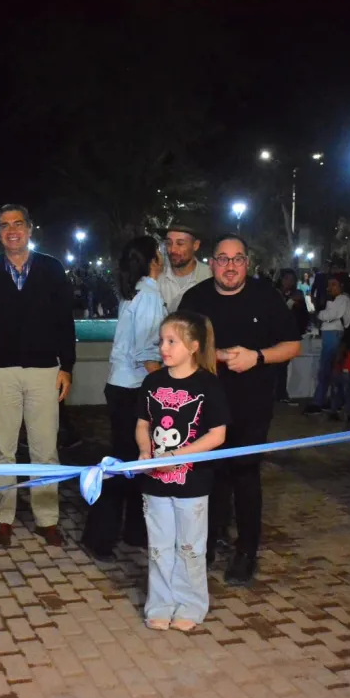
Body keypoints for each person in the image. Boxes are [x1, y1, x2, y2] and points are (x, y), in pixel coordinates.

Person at [178, 234, 301, 585]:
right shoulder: (195, 298)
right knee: (209, 476)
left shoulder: (266, 296)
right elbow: (177, 345)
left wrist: (257, 357)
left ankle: (247, 550)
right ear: (212, 262)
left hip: (252, 405)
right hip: (203, 407)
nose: (230, 266)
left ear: (247, 263)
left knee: (246, 476)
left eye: (237, 259)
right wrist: (213, 356)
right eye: (223, 259)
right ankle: (207, 543)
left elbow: (292, 346)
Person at [0, 204, 75, 547]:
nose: (12, 230)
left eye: (18, 224)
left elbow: (64, 321)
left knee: (45, 449)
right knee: (2, 450)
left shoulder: (52, 269)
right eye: (4, 225)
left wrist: (67, 367)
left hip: (45, 370)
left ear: (29, 229)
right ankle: (3, 519)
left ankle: (47, 519)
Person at [134, 311, 228, 631]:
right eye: (162, 341)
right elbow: (143, 423)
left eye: (172, 341)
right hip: (155, 482)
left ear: (193, 346)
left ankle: (191, 603)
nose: (164, 347)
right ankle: (160, 603)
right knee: (159, 547)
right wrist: (146, 452)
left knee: (190, 547)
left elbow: (217, 435)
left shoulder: (208, 385)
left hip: (193, 483)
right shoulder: (152, 382)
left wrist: (177, 455)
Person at [81, 236, 165, 560]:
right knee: (126, 465)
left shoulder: (134, 294)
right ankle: (100, 536)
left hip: (122, 387)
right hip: (134, 389)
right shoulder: (149, 296)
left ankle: (131, 531)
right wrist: (164, 391)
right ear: (153, 260)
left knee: (133, 464)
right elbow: (147, 352)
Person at [304, 275, 350, 416]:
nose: (329, 288)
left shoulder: (342, 299)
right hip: (331, 333)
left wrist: (319, 314)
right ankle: (334, 400)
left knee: (326, 368)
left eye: (333, 285)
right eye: (329, 285)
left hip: (333, 334)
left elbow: (332, 315)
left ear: (341, 286)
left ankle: (320, 401)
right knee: (330, 368)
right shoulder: (339, 300)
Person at [158, 219, 211, 311]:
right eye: (169, 243)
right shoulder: (156, 276)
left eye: (180, 243)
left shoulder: (209, 277)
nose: (173, 250)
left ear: (195, 245)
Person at [276, 268, 309, 404]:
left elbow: (303, 315)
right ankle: (278, 393)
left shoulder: (298, 295)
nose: (289, 282)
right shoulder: (275, 294)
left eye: (291, 280)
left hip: (289, 335)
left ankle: (280, 393)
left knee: (282, 365)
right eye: (286, 279)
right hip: (275, 334)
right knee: (277, 366)